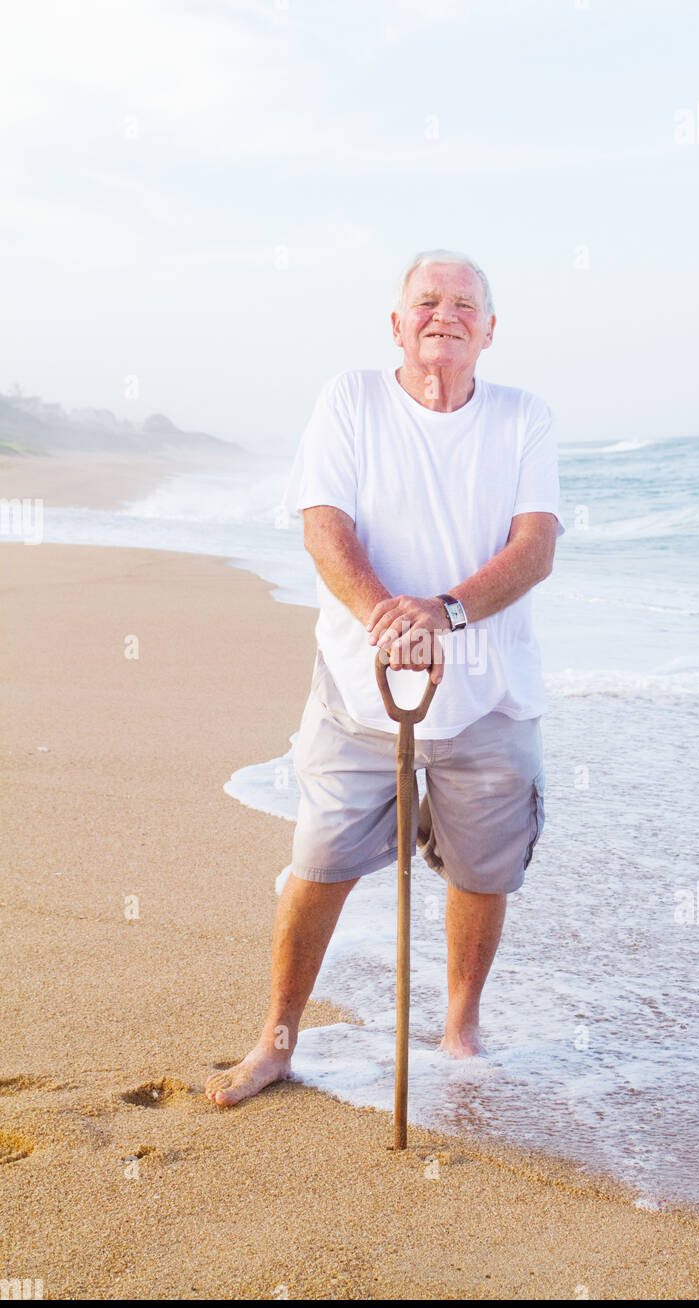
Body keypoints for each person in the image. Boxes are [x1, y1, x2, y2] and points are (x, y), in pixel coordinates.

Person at [206, 249, 565, 1106]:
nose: (446, 314)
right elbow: (324, 526)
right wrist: (386, 618)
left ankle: (461, 1028)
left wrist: (441, 613)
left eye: (465, 304)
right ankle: (277, 1042)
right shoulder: (351, 399)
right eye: (428, 301)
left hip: (490, 694)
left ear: (488, 330)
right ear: (397, 323)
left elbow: (534, 546)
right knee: (319, 861)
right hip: (360, 689)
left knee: (485, 872)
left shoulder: (525, 417)